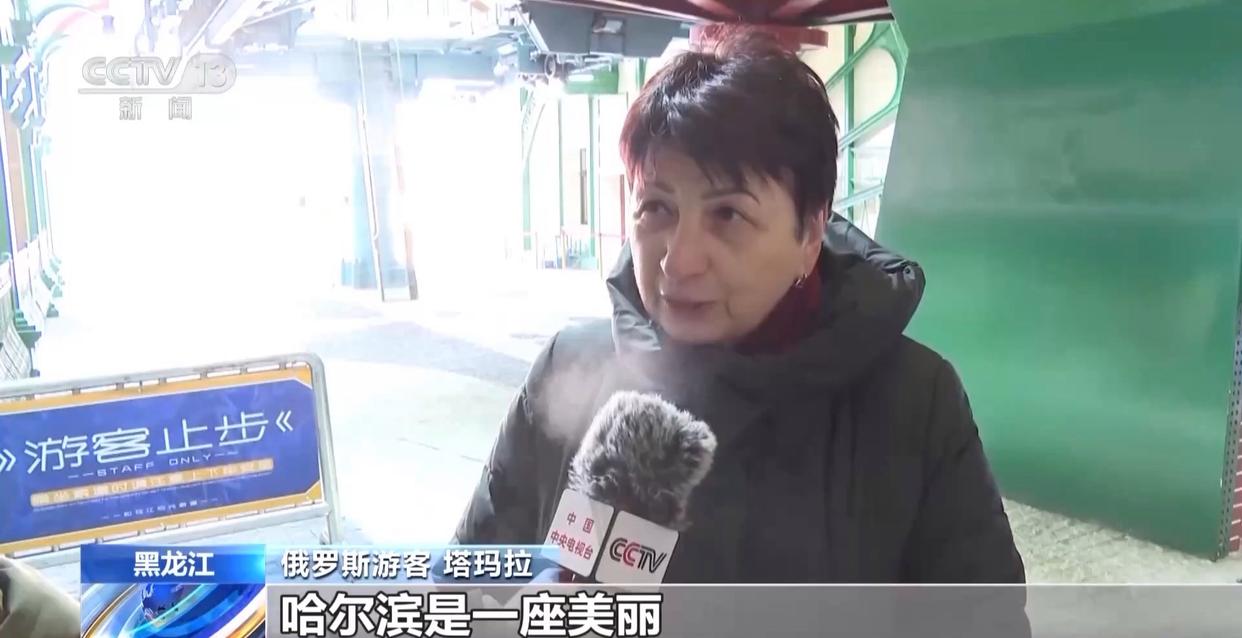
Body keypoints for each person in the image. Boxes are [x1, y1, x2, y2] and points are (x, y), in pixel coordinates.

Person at [452, 29, 1025, 584]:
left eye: (728, 214)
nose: (679, 261)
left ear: (810, 232)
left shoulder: (914, 404)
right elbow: (466, 586)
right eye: (657, 208)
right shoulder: (566, 370)